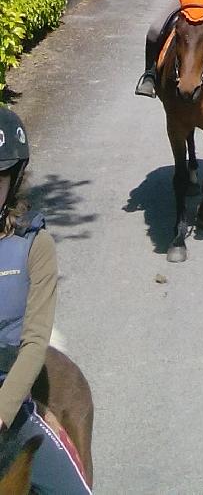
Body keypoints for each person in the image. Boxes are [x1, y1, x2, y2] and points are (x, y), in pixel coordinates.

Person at [0, 107, 91, 493]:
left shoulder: (35, 246)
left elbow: (36, 342)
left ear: (14, 178)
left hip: (11, 397)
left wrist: (2, 412)